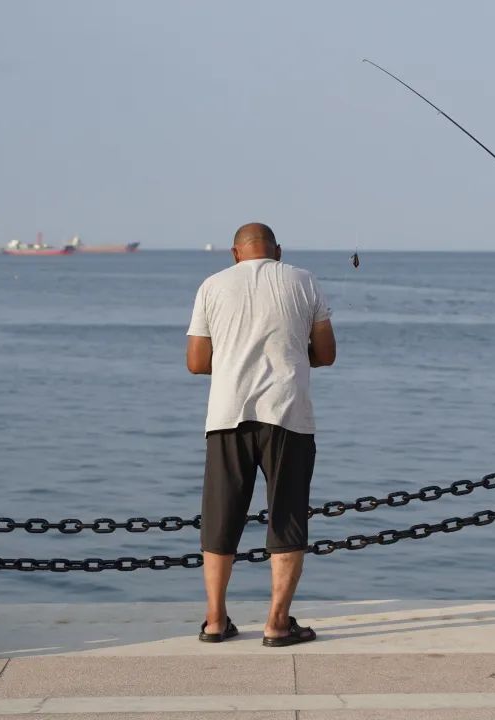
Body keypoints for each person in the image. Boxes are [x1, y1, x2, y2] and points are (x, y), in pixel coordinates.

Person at [186, 222, 335, 646]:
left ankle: (215, 621)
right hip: (287, 414)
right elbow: (326, 354)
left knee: (220, 519)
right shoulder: (305, 282)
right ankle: (277, 623)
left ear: (235, 253)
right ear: (278, 251)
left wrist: (235, 360)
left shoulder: (212, 286)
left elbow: (196, 361)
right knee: (287, 516)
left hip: (226, 416)